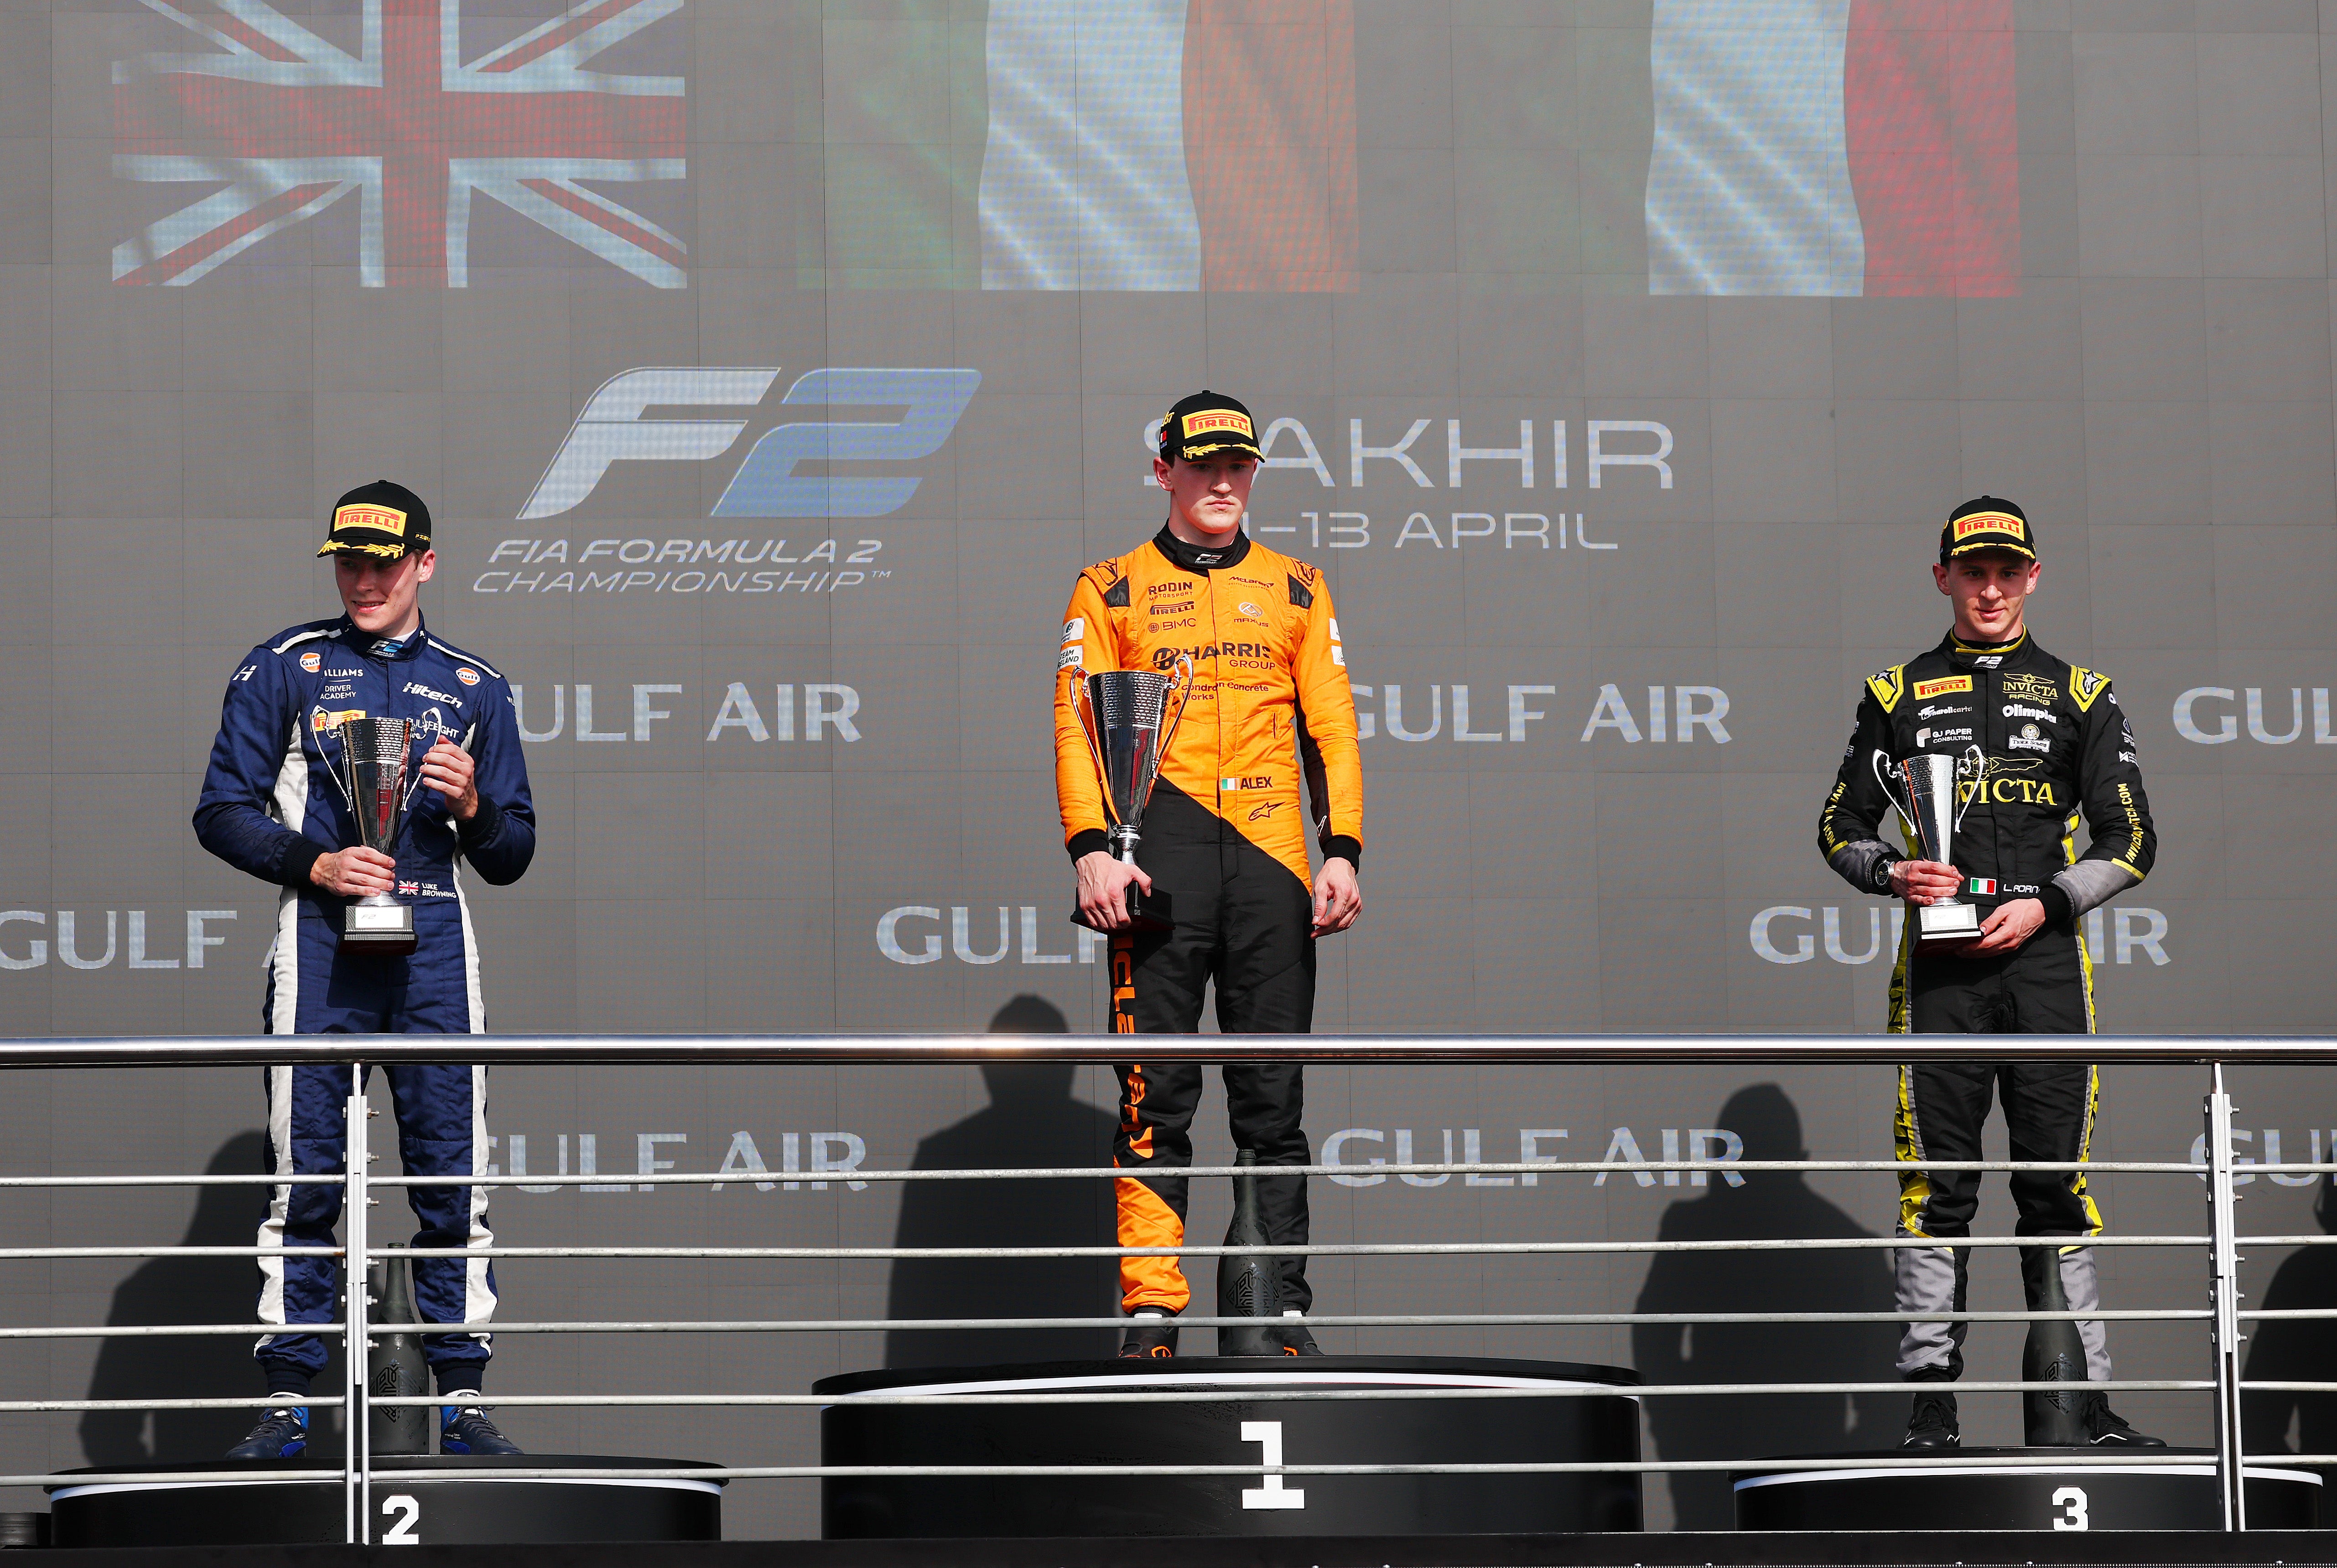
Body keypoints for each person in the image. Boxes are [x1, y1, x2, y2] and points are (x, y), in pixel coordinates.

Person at [194, 481, 534, 1459]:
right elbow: (222, 809)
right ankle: (289, 1397)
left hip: (432, 948)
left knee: (453, 1174)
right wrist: (319, 863)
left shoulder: (476, 689)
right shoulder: (285, 667)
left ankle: (462, 1397)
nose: (365, 580)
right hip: (319, 942)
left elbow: (512, 853)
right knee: (304, 1173)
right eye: (349, 561)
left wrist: (473, 809)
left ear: (426, 562)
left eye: (385, 563)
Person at [1816, 496, 2163, 1451]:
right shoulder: (1896, 691)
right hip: (1939, 971)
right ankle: (1930, 1414)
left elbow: (2132, 838)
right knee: (1938, 1190)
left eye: (2009, 570)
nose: (1992, 588)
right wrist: (1896, 872)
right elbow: (1838, 827)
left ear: (2034, 577)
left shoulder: (2082, 692)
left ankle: (2080, 1413)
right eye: (1975, 571)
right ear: (1944, 579)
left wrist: (2049, 902)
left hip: (2047, 963)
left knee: (2058, 1184)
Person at [1054, 390, 1363, 1359]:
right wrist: (1093, 845)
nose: (1224, 481)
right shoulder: (1110, 587)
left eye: (1241, 466)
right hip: (1161, 863)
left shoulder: (1299, 587)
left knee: (1274, 1101)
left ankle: (1276, 1311)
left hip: (1272, 862)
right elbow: (1077, 724)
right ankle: (1153, 1313)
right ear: (1165, 472)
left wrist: (1343, 847)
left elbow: (1333, 725)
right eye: (1205, 465)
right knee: (1158, 1097)